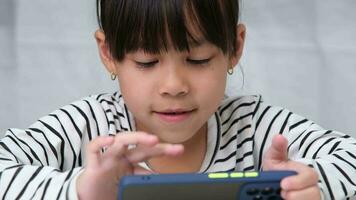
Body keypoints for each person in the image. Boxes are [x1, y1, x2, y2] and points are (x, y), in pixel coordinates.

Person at [0, 0, 355, 199]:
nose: (173, 85)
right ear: (109, 54)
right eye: (147, 62)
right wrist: (80, 192)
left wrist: (307, 186)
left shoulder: (253, 126)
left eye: (198, 60)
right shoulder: (90, 127)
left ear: (235, 48)